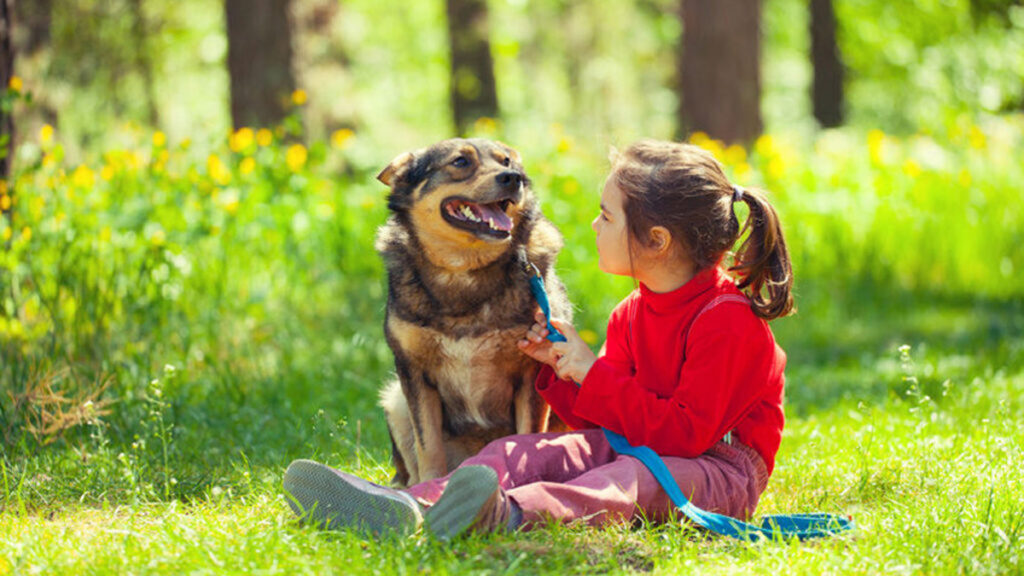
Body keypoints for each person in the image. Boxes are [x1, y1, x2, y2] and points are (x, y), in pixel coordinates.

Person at [283, 139, 794, 541]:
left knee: (626, 479)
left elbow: (685, 438)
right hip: (642, 447)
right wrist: (559, 369)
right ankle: (415, 506)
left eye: (606, 215)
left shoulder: (726, 321)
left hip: (719, 471)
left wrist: (592, 374)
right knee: (519, 450)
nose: (593, 225)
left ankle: (503, 514)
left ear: (656, 241)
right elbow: (606, 425)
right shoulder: (631, 313)